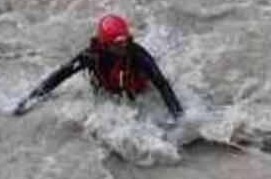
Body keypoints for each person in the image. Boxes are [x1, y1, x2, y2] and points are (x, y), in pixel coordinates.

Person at [12, 14, 183, 119]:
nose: (124, 47)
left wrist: (179, 117)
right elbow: (60, 76)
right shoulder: (89, 56)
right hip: (110, 91)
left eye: (126, 41)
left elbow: (162, 84)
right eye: (118, 44)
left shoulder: (138, 55)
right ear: (105, 45)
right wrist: (30, 100)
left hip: (136, 92)